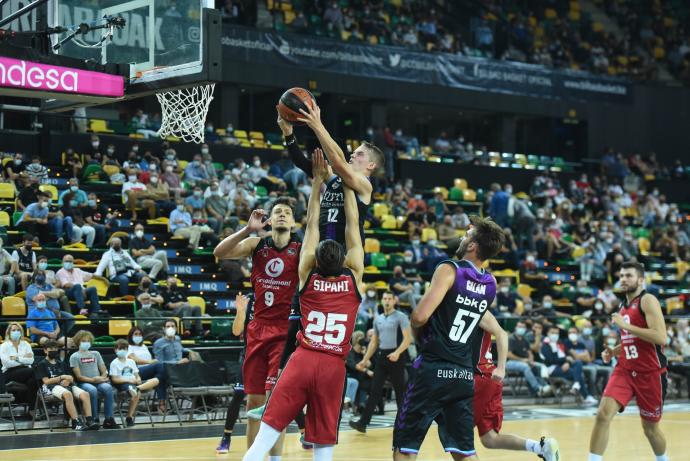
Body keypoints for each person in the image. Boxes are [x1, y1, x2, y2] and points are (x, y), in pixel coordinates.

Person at [243, 149, 364, 461]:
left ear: (315, 260)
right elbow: (353, 229)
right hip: (334, 365)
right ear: (345, 260)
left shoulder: (306, 275)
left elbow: (311, 228)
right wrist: (349, 188)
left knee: (265, 434)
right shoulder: (354, 278)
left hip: (304, 359)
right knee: (323, 442)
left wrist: (316, 186)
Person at [391, 216, 507, 461]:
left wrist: (421, 329)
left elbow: (419, 317)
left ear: (473, 246)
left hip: (433, 367)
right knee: (463, 450)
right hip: (464, 374)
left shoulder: (449, 269)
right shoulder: (490, 284)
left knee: (405, 446)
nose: (463, 237)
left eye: (467, 235)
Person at [214, 193, 300, 454]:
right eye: (277, 212)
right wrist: (246, 230)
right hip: (258, 328)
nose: (282, 214)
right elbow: (220, 252)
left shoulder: (302, 249)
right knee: (254, 403)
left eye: (287, 211)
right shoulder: (256, 244)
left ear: (294, 222)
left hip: (285, 330)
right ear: (269, 221)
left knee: (277, 404)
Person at [588, 261, 669, 461]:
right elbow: (631, 340)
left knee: (650, 428)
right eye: (622, 275)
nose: (623, 279)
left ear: (641, 279)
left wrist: (626, 326)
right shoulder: (623, 306)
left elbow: (660, 337)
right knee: (602, 415)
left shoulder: (648, 300)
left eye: (629, 275)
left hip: (650, 373)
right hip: (625, 370)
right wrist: (614, 352)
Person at [279, 104, 383, 243]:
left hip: (347, 250)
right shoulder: (334, 180)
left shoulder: (365, 185)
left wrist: (317, 125)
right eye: (354, 152)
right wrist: (288, 135)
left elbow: (337, 162)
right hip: (324, 243)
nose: (352, 154)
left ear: (371, 165)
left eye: (359, 154)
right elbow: (301, 162)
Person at [471, 327, 560, 460]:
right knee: (490, 438)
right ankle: (540, 447)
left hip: (478, 376)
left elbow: (502, 334)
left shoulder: (471, 310)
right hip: (490, 374)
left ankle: (539, 388)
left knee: (459, 435)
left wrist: (502, 367)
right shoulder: (486, 315)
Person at [349, 291, 412, 432]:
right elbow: (374, 342)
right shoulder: (378, 319)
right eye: (385, 298)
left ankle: (402, 425)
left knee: (400, 392)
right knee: (375, 390)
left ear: (394, 301)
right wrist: (365, 360)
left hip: (397, 356)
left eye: (390, 298)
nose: (387, 301)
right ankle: (363, 423)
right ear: (381, 301)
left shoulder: (401, 317)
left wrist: (397, 353)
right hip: (383, 356)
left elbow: (408, 339)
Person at [216, 292, 252, 454]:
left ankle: (303, 432)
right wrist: (240, 311)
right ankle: (226, 437)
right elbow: (236, 331)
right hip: (250, 354)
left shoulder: (280, 295)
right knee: (238, 394)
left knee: (281, 394)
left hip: (272, 353)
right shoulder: (250, 299)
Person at [35, 339, 98, 431]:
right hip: (50, 387)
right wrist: (61, 377)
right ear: (45, 350)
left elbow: (71, 377)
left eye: (55, 348)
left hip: (65, 385)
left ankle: (89, 420)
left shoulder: (61, 363)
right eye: (51, 348)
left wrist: (68, 380)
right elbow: (46, 381)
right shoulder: (42, 364)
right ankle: (76, 422)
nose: (53, 350)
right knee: (68, 394)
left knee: (85, 394)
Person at [70, 330, 120, 428]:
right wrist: (93, 380)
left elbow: (104, 370)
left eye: (88, 341)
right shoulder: (74, 356)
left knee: (108, 388)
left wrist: (102, 378)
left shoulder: (96, 354)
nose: (86, 343)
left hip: (98, 381)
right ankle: (94, 419)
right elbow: (79, 377)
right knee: (92, 390)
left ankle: (109, 419)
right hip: (83, 383)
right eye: (84, 341)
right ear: (78, 342)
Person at [109, 339, 160, 427]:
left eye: (124, 348)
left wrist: (138, 378)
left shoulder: (131, 361)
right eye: (120, 348)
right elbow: (114, 379)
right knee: (137, 393)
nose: (122, 350)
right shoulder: (114, 363)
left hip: (134, 383)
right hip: (124, 383)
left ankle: (138, 388)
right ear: (115, 350)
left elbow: (136, 374)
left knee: (156, 380)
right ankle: (129, 417)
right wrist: (128, 380)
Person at [126, 326, 167, 413]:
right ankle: (161, 402)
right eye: (136, 334)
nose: (138, 336)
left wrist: (151, 362)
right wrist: (150, 361)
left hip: (147, 372)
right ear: (131, 336)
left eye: (140, 334)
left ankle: (160, 402)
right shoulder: (128, 346)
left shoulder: (144, 346)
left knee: (160, 376)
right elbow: (133, 358)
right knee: (159, 366)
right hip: (136, 373)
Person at [506, 321, 551, 397]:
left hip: (525, 361)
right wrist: (523, 360)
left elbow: (530, 352)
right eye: (519, 327)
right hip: (510, 362)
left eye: (523, 327)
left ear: (525, 329)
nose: (521, 329)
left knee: (540, 366)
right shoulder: (511, 338)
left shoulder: (525, 339)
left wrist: (531, 360)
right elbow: (509, 355)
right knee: (525, 366)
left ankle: (545, 386)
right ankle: (538, 388)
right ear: (515, 328)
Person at [0, 323, 38, 413]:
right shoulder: (4, 345)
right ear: (8, 332)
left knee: (32, 382)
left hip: (26, 371)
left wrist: (16, 358)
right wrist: (23, 358)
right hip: (9, 373)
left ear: (21, 332)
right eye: (13, 330)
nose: (16, 332)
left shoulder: (26, 344)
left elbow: (31, 360)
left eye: (18, 330)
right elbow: (7, 363)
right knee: (34, 371)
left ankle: (31, 410)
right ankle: (35, 407)